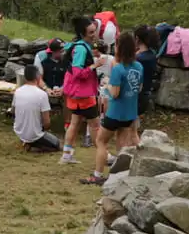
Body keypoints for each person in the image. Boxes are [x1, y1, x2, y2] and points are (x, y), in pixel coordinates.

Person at [85, 31, 143, 184]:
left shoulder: (118, 69)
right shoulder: (139, 67)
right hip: (130, 112)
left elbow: (115, 93)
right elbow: (140, 88)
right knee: (122, 145)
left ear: (119, 47)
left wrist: (107, 84)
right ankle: (120, 176)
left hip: (115, 112)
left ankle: (97, 175)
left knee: (101, 141)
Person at [59, 16, 103, 168]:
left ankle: (66, 155)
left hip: (74, 94)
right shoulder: (81, 49)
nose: (94, 34)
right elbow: (78, 73)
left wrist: (93, 56)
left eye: (94, 31)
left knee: (75, 123)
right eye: (91, 32)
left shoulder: (78, 46)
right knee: (95, 125)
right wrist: (95, 65)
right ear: (83, 33)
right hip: (83, 94)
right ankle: (104, 154)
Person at [12, 65, 60, 152]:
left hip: (19, 131)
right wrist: (44, 129)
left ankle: (26, 141)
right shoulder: (42, 95)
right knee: (56, 144)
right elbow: (47, 122)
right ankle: (33, 144)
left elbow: (13, 111)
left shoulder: (17, 91)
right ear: (38, 77)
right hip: (35, 134)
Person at [134, 25, 160, 118]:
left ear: (137, 38)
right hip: (145, 95)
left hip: (136, 97)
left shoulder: (139, 59)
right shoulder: (152, 55)